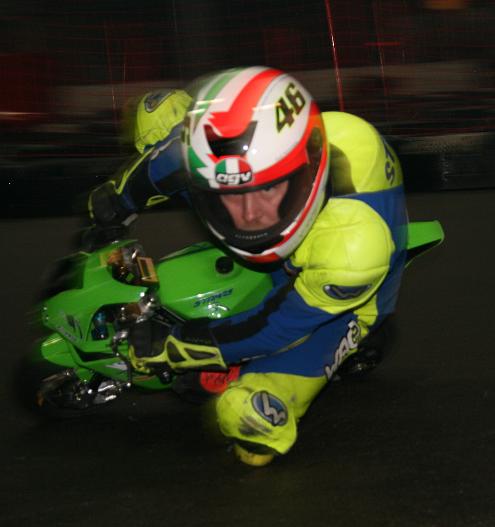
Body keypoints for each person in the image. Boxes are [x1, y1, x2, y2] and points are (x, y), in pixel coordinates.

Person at [87, 67, 408, 466]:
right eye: (229, 195)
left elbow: (278, 326)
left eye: (268, 188)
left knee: (248, 416)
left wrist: (179, 344)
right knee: (159, 115)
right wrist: (115, 202)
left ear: (305, 171)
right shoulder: (220, 156)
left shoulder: (353, 247)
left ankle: (279, 397)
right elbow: (171, 156)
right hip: (310, 212)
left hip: (350, 282)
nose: (248, 216)